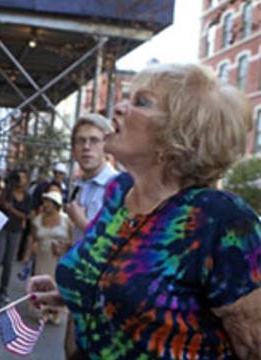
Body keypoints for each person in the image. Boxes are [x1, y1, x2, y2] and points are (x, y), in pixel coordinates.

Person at [27, 64, 261, 360]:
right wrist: (73, 290)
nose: (120, 107)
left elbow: (253, 345)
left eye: (140, 102)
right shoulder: (118, 191)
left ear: (177, 134)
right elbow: (126, 288)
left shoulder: (222, 218)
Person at [65, 113, 118, 244]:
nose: (86, 147)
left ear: (106, 147)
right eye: (81, 141)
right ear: (73, 150)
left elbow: (116, 243)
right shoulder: (78, 186)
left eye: (94, 140)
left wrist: (81, 221)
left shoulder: (117, 186)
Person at [25, 191, 72, 324]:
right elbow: (32, 238)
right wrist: (27, 254)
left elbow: (74, 240)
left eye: (49, 203)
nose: (46, 205)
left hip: (59, 258)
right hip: (42, 256)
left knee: (57, 285)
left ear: (56, 205)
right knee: (42, 285)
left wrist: (65, 246)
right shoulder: (37, 220)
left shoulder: (66, 220)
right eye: (45, 202)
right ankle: (43, 311)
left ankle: (56, 311)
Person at [0, 168, 31, 304]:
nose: (20, 180)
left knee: (9, 263)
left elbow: (26, 215)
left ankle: (3, 291)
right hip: (3, 229)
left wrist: (12, 210)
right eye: (18, 177)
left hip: (16, 230)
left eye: (22, 178)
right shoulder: (8, 191)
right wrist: (8, 185)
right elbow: (1, 205)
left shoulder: (27, 197)